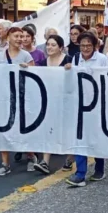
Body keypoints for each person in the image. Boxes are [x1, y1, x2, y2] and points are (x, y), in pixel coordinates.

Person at [0, 26, 36, 176]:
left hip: (22, 97)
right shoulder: (0, 56)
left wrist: (28, 68)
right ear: (8, 38)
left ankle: (31, 156)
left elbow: (36, 75)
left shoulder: (26, 55)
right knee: (3, 129)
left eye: (21, 36)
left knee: (23, 129)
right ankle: (5, 163)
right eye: (16, 36)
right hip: (4, 97)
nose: (19, 39)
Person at [66, 32, 108, 187]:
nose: (85, 48)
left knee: (96, 137)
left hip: (97, 104)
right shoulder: (76, 58)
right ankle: (80, 173)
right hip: (80, 104)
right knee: (80, 138)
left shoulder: (102, 59)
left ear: (94, 46)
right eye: (82, 45)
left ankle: (100, 169)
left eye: (88, 45)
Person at [33, 34, 72, 175]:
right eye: (48, 44)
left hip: (67, 101)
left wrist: (72, 69)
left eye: (53, 45)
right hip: (49, 101)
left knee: (68, 131)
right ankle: (45, 162)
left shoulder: (69, 60)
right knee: (48, 130)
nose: (49, 47)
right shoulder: (43, 62)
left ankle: (69, 158)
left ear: (61, 48)